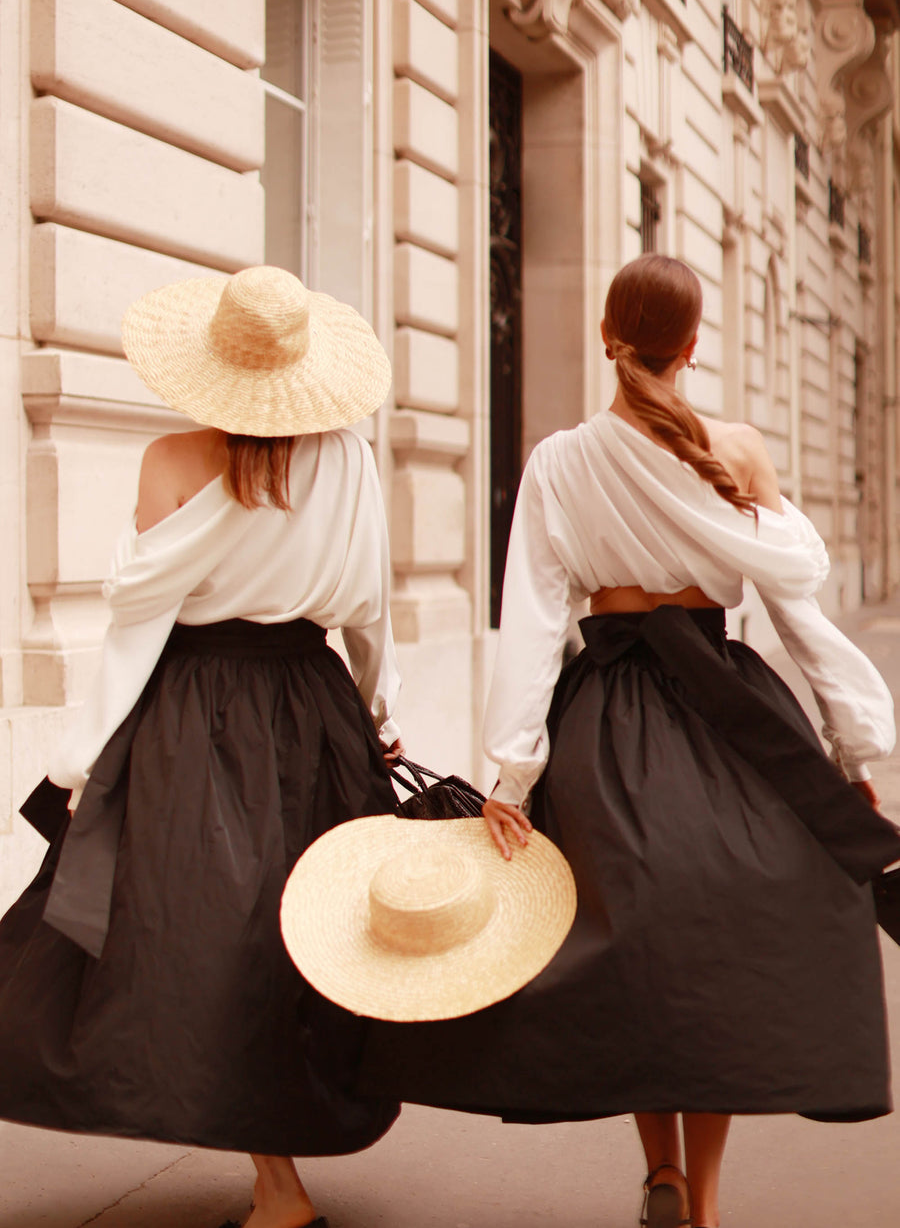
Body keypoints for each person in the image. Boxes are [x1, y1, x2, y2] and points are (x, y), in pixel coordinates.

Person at [362, 254, 900, 1228]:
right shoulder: (737, 451)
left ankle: (659, 1172)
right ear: (693, 345)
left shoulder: (564, 461)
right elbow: (803, 614)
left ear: (608, 335)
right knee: (723, 961)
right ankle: (707, 1203)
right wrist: (853, 753)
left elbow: (530, 622)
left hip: (607, 720)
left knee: (636, 953)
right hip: (734, 720)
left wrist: (512, 774)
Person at [0, 266, 404, 1228]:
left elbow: (137, 629)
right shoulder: (348, 461)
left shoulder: (171, 461)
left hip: (195, 713)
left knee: (204, 936)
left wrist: (78, 757)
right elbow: (368, 610)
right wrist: (378, 716)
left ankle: (278, 1185)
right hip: (313, 710)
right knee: (296, 936)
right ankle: (279, 1172)